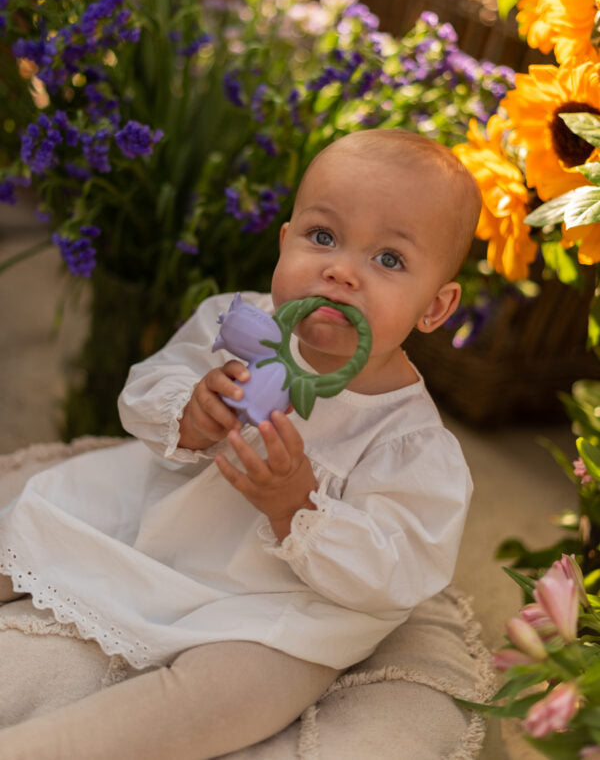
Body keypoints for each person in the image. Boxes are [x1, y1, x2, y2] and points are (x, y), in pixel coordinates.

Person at [0, 129, 482, 759]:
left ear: (435, 308)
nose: (341, 270)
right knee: (36, 519)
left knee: (235, 694)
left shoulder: (411, 444)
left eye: (389, 259)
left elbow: (397, 570)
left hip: (270, 605)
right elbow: (145, 389)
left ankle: (45, 748)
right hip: (159, 524)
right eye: (323, 237)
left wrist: (298, 505)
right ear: (285, 241)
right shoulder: (238, 325)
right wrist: (190, 413)